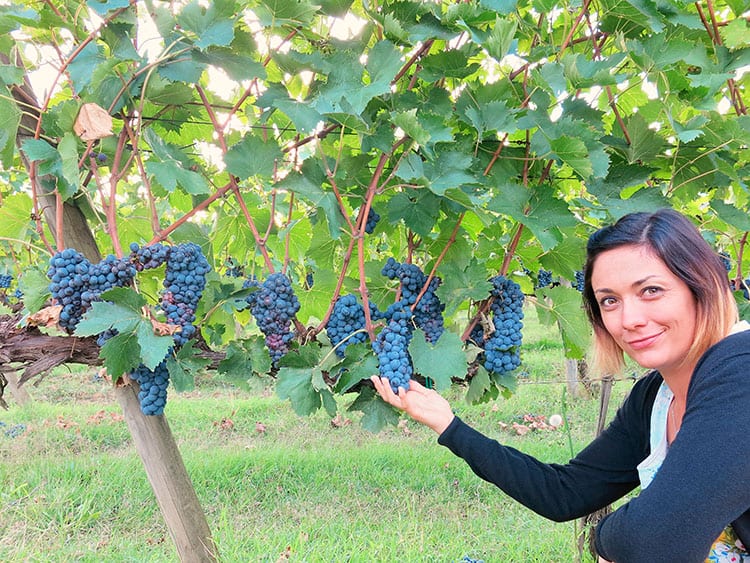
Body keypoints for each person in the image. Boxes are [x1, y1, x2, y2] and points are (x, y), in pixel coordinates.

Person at [371, 208, 750, 563]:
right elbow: (566, 493)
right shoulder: (656, 396)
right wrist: (448, 425)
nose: (629, 318)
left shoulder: (741, 372)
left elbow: (653, 539)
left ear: (700, 286)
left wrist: (605, 538)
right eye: (609, 300)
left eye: (651, 290)